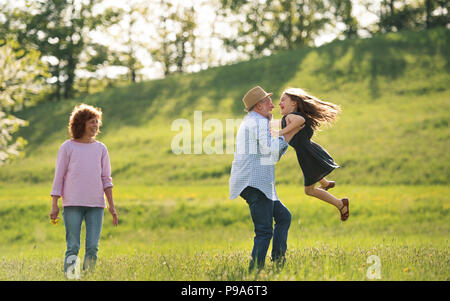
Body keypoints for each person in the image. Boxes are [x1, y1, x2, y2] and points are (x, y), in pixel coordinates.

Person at [229, 86, 301, 271]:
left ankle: (277, 261)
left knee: (283, 217)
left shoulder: (256, 121)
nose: (272, 105)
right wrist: (289, 135)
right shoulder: (258, 122)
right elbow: (272, 149)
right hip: (254, 182)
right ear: (259, 105)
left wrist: (286, 137)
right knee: (264, 230)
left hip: (256, 182)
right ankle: (255, 271)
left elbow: (272, 155)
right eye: (268, 101)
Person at [49, 103, 118, 274]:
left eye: (97, 122)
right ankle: (71, 277)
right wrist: (54, 204)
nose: (95, 126)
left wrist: (112, 206)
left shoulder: (101, 149)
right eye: (91, 122)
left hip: (96, 205)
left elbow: (106, 180)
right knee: (73, 246)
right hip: (72, 204)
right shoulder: (67, 147)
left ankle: (88, 277)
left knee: (93, 247)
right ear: (81, 123)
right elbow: (58, 177)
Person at [274, 88, 349, 221]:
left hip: (307, 154)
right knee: (312, 183)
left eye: (283, 100)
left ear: (294, 103)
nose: (279, 103)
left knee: (309, 191)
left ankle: (341, 204)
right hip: (308, 151)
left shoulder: (291, 117)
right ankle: (325, 184)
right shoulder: (288, 118)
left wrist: (280, 133)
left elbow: (299, 121)